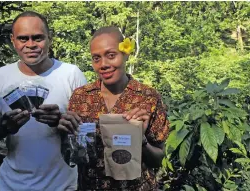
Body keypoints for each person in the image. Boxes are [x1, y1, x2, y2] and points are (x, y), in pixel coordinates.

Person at [0, 11, 87, 191]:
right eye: (23, 38)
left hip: (61, 186)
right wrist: (5, 127)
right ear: (13, 40)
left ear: (49, 38)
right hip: (9, 185)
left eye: (37, 38)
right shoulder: (1, 76)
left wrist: (61, 123)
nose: (31, 45)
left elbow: (88, 135)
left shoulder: (71, 74)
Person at [58, 26, 170, 190]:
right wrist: (66, 135)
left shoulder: (147, 97)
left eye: (111, 55)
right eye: (96, 58)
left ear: (125, 54)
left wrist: (142, 140)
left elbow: (159, 159)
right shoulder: (81, 97)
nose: (103, 64)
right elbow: (72, 157)